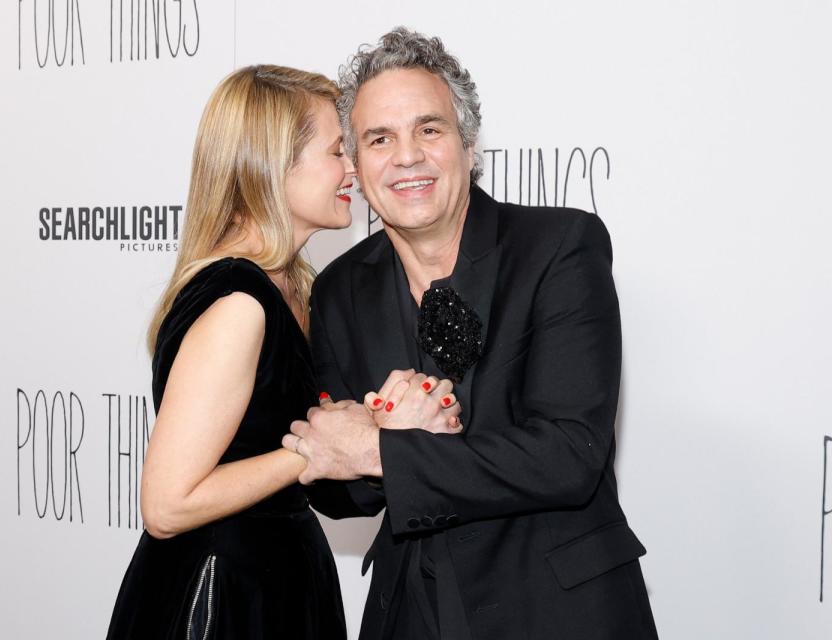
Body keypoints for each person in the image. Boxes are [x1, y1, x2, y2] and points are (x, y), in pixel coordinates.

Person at [283, 28, 660, 640]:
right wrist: (354, 448)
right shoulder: (339, 288)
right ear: (355, 159)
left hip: (558, 610)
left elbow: (569, 455)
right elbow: (341, 492)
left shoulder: (560, 249)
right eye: (380, 138)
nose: (407, 157)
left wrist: (378, 447)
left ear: (468, 143)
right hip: (412, 610)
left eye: (429, 129)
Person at [106, 64, 367, 640]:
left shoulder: (296, 288)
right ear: (274, 165)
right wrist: (315, 454)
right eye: (335, 150)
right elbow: (167, 506)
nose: (353, 168)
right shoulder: (238, 304)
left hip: (279, 582)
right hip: (221, 599)